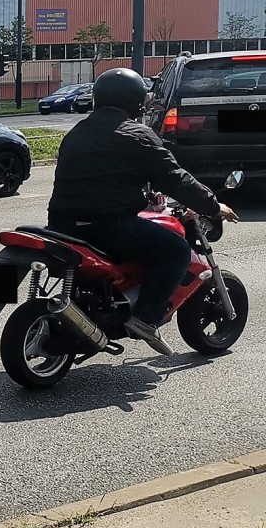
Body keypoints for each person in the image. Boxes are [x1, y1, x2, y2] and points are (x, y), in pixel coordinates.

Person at [46, 67, 238, 356]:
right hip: (108, 226)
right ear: (136, 101)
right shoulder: (137, 134)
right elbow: (175, 178)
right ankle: (146, 318)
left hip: (61, 224)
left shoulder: (78, 132)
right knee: (175, 251)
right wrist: (213, 205)